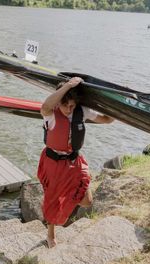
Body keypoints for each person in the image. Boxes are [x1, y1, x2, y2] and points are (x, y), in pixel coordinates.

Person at [38, 77, 114, 248]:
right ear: (59, 103)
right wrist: (68, 85)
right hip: (53, 162)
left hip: (74, 161)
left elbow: (107, 119)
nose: (69, 109)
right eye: (65, 105)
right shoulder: (50, 114)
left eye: (72, 105)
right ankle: (51, 234)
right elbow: (46, 105)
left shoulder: (82, 111)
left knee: (87, 201)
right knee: (52, 198)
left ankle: (66, 203)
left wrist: (115, 105)